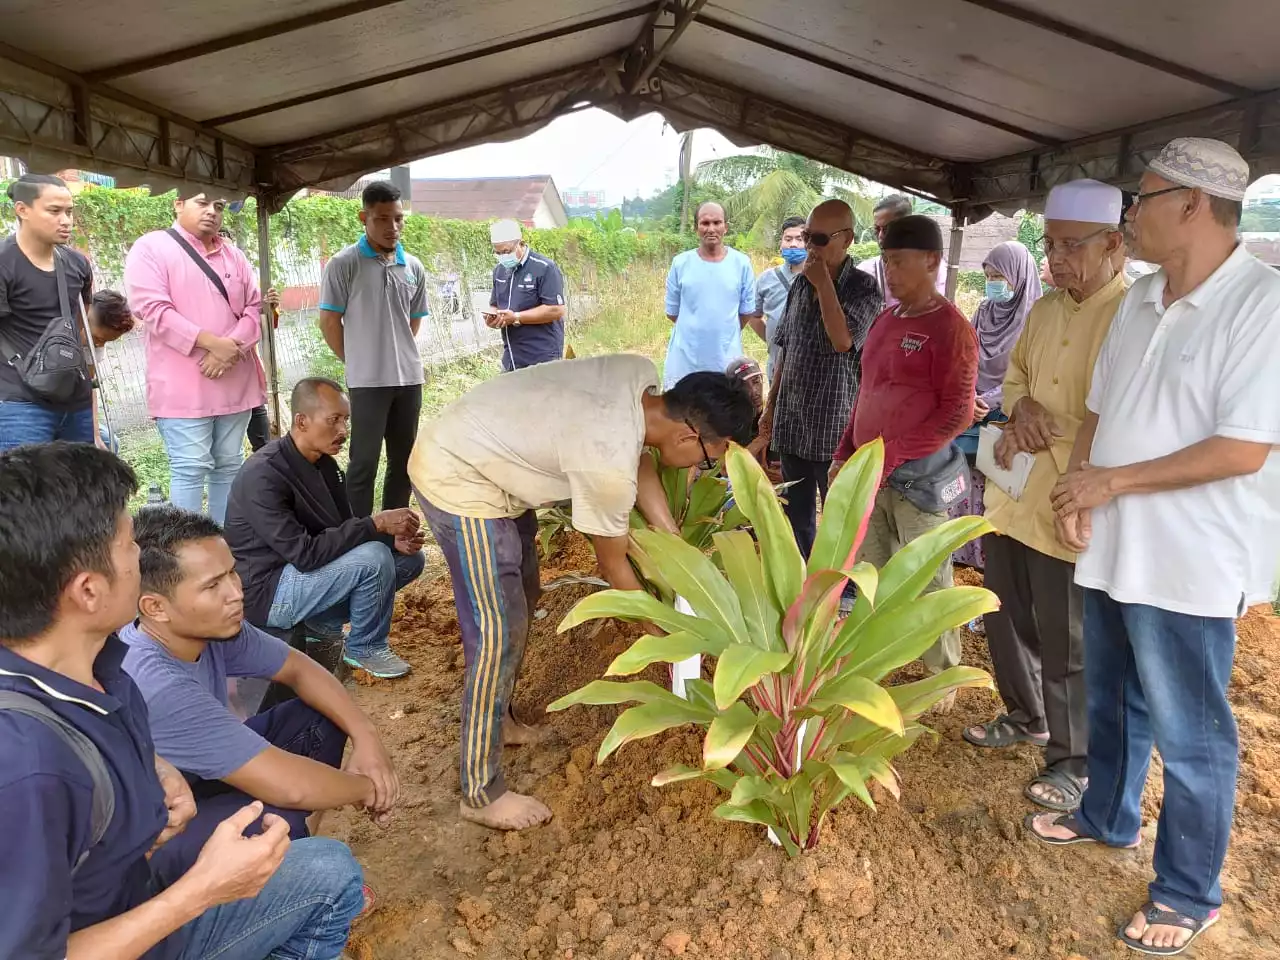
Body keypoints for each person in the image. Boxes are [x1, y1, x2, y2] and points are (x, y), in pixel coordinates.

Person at [1032, 139, 1280, 956]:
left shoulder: (1261, 304)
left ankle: (1188, 891)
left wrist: (1110, 484)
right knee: (1113, 698)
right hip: (1115, 543)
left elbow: (1243, 448)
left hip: (1190, 559)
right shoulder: (1140, 300)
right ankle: (1107, 814)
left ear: (1193, 205)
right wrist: (1077, 487)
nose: (1128, 216)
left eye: (1141, 200)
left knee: (1192, 732)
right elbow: (1100, 412)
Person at [0, 441, 363, 960]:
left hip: (137, 884)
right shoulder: (24, 767)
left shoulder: (97, 667)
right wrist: (200, 893)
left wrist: (154, 764)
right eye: (128, 545)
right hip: (136, 934)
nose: (139, 556)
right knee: (328, 872)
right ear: (87, 591)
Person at [408, 356, 755, 831]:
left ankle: (501, 720)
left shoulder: (639, 380)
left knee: (522, 597)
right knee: (499, 627)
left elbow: (640, 456)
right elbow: (613, 567)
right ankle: (480, 789)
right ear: (688, 437)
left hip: (495, 457)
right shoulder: (606, 465)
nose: (703, 467)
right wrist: (669, 638)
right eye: (709, 459)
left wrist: (671, 535)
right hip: (459, 476)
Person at [121, 504, 399, 885]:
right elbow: (291, 786)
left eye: (231, 572)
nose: (236, 593)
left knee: (320, 720)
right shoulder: (158, 683)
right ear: (155, 607)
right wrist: (372, 787)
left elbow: (300, 669)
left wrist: (367, 738)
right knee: (275, 811)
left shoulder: (211, 629)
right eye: (212, 586)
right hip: (156, 839)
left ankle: (293, 859)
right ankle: (281, 892)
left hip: (198, 781)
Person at [962, 181, 1128, 817]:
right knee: (1003, 611)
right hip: (1014, 488)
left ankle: (1072, 761)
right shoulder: (1046, 309)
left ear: (1113, 244)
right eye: (1050, 245)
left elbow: (1116, 412)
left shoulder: (1130, 314)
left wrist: (1046, 428)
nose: (1057, 259)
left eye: (1070, 246)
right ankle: (1024, 714)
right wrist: (1022, 405)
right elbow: (1016, 378)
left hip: (1068, 494)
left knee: (1066, 639)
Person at [832, 216, 977, 682]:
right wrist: (843, 453)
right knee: (871, 572)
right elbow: (866, 391)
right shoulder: (885, 320)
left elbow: (957, 414)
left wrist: (890, 454)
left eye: (898, 262)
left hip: (920, 479)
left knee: (927, 578)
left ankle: (942, 673)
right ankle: (872, 663)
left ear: (932, 261)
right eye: (886, 262)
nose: (889, 273)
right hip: (870, 473)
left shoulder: (951, 328)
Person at [224, 377, 425, 679]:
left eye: (346, 420)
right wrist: (376, 524)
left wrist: (388, 541)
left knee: (408, 560)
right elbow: (305, 554)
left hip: (304, 578)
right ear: (301, 421)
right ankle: (365, 646)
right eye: (333, 420)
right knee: (373, 559)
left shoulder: (325, 465)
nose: (343, 431)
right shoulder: (263, 475)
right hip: (267, 592)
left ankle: (321, 624)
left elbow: (340, 531)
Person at [124, 192, 264, 524]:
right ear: (178, 204)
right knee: (189, 468)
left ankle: (224, 546)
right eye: (202, 203)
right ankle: (187, 557)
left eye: (218, 206)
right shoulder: (152, 248)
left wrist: (229, 348)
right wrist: (212, 344)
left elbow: (254, 308)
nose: (212, 212)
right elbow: (152, 309)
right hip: (183, 388)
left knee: (229, 465)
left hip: (235, 384)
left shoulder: (234, 254)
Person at [756, 199, 882, 560]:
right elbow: (785, 348)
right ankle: (801, 579)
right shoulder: (798, 286)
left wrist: (824, 284)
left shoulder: (863, 288)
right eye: (808, 237)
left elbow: (843, 341)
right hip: (793, 420)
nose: (810, 247)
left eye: (820, 239)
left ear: (848, 240)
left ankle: (842, 589)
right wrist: (771, 405)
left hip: (834, 428)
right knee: (796, 515)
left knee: (839, 517)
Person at [317, 180, 429, 518]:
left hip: (409, 379)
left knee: (403, 460)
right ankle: (359, 533)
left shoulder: (413, 266)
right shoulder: (343, 264)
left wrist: (398, 355)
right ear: (363, 217)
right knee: (363, 462)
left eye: (397, 219)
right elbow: (329, 323)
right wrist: (357, 361)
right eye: (382, 219)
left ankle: (394, 527)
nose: (392, 227)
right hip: (367, 382)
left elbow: (413, 320)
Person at [949, 240, 1041, 573]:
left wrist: (991, 399)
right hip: (973, 411)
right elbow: (966, 357)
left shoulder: (1035, 316)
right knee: (966, 483)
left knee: (998, 487)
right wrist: (968, 396)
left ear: (1019, 275)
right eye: (989, 275)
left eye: (1000, 275)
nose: (993, 283)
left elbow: (1029, 374)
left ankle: (993, 565)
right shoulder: (984, 311)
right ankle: (965, 556)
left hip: (1007, 417)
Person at [0, 174, 95, 450]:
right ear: (22, 210)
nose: (65, 220)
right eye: (54, 211)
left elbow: (80, 330)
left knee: (83, 490)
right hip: (19, 405)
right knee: (25, 492)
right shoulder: (4, 264)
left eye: (69, 212)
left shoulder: (77, 264)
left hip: (76, 402)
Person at [662, 202, 756, 387]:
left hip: (726, 360)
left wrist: (722, 332)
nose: (711, 229)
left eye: (717, 222)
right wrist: (698, 329)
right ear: (696, 228)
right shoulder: (680, 263)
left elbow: (746, 312)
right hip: (685, 360)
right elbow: (673, 313)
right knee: (683, 412)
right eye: (705, 223)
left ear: (725, 227)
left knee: (723, 411)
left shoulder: (741, 263)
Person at [485, 219, 567, 370]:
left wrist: (516, 317)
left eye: (506, 251)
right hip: (511, 356)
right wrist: (493, 317)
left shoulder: (545, 268)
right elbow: (495, 304)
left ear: (520, 243)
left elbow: (556, 310)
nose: (503, 256)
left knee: (542, 394)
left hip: (542, 356)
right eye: (498, 252)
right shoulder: (499, 270)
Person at [857, 194, 947, 307]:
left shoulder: (940, 269)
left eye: (888, 229)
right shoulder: (866, 272)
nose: (880, 236)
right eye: (877, 229)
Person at [748, 216, 807, 382]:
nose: (793, 244)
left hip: (809, 367)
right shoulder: (766, 279)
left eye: (799, 239)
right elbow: (754, 316)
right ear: (781, 244)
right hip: (777, 365)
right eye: (788, 239)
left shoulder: (820, 278)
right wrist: (772, 340)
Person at [86, 289, 135, 453]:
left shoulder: (96, 343)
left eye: (106, 342)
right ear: (86, 316)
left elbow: (90, 385)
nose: (99, 346)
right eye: (98, 339)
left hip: (74, 408)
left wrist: (95, 435)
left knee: (109, 443)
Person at [247, 286, 281, 452]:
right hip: (212, 377)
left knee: (263, 446)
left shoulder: (240, 278)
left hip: (247, 377)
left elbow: (265, 324)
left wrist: (267, 308)